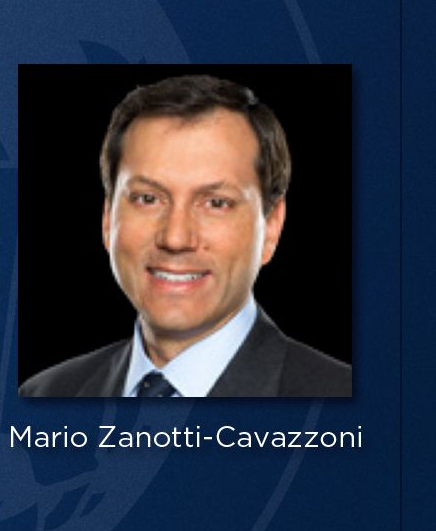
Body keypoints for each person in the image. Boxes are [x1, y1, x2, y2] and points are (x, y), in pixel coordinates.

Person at [20, 74, 350, 399]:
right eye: (147, 199)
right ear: (108, 218)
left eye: (216, 203)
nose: (176, 238)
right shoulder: (43, 395)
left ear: (272, 226)